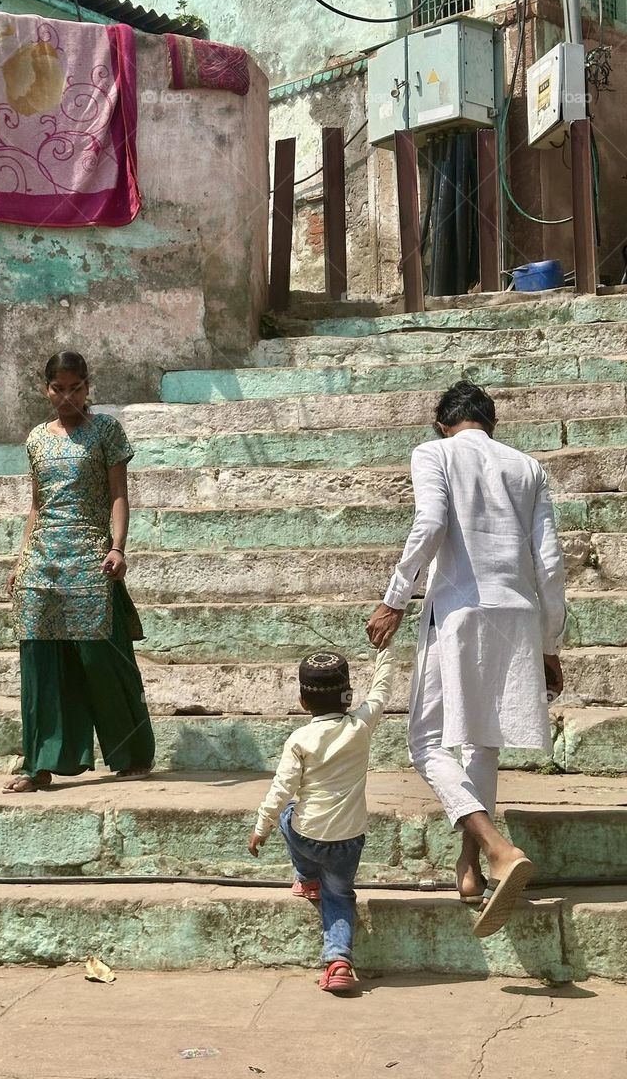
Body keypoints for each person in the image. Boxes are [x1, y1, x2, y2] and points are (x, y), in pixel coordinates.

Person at [366, 381, 565, 939]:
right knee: (482, 742)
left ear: (441, 424)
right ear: (491, 425)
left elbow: (429, 525)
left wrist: (393, 599)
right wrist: (550, 643)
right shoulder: (528, 468)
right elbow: (549, 563)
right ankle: (471, 868)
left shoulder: (434, 453)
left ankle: (498, 849)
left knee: (425, 743)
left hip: (458, 612)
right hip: (519, 614)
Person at [3, 350, 155, 793]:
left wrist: (118, 547)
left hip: (91, 557)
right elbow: (36, 505)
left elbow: (118, 496)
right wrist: (21, 557)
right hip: (42, 562)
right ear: (45, 389)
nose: (66, 396)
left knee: (102, 659)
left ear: (88, 386)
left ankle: (130, 754)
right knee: (41, 663)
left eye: (75, 387)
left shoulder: (106, 430)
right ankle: (40, 764)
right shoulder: (36, 438)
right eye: (58, 388)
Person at [248, 644, 397, 994]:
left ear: (303, 701)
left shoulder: (300, 739)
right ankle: (339, 962)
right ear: (347, 698)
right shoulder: (361, 725)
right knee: (341, 895)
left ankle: (305, 877)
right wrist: (385, 649)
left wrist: (260, 828)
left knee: (287, 815)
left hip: (307, 836)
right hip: (349, 840)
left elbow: (282, 790)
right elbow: (383, 688)